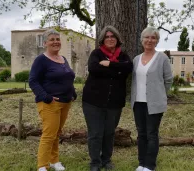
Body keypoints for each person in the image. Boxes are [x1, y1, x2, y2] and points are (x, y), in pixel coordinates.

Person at [82, 25, 133, 171]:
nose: (110, 39)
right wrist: (117, 70)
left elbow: (128, 68)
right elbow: (93, 69)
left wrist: (110, 64)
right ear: (102, 40)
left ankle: (107, 160)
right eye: (107, 37)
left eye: (113, 36)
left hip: (115, 102)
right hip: (93, 102)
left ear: (117, 39)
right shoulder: (96, 54)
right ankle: (95, 163)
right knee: (95, 133)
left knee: (109, 133)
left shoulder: (123, 56)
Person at [29, 29, 77, 171]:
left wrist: (72, 93)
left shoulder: (64, 59)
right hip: (49, 103)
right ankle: (42, 166)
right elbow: (33, 81)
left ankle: (54, 161)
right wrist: (46, 97)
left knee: (57, 133)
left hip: (65, 102)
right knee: (49, 134)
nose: (56, 42)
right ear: (45, 43)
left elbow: (67, 78)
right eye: (52, 40)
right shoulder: (41, 60)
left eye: (57, 39)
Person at [131, 27, 173, 171]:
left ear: (157, 41)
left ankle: (149, 165)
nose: (149, 40)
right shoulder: (136, 59)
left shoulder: (162, 58)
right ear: (142, 40)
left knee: (152, 134)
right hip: (138, 103)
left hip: (154, 104)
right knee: (141, 134)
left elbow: (168, 80)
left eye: (153, 38)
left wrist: (160, 94)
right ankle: (141, 163)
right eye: (147, 37)